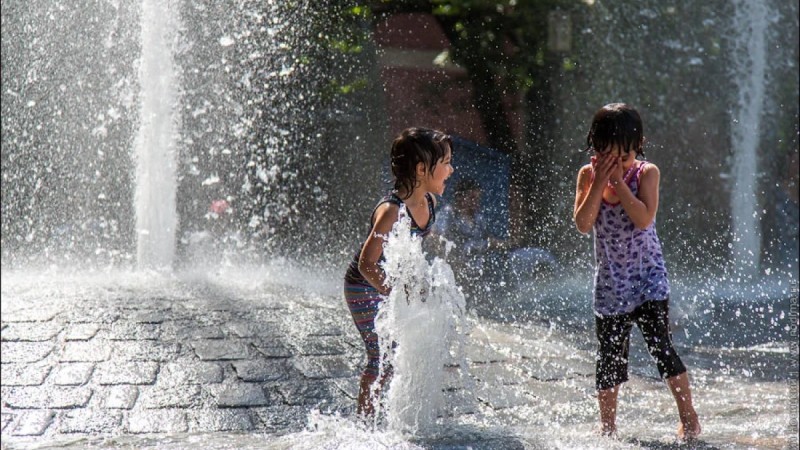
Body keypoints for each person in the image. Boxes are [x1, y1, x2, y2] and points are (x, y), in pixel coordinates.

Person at [573, 103, 701, 440]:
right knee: (609, 358)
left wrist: (619, 182)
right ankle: (608, 426)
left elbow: (643, 218)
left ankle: (689, 417)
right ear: (594, 147)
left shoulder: (646, 173)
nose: (616, 164)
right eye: (607, 156)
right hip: (611, 283)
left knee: (662, 348)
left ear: (638, 146)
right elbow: (583, 223)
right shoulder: (587, 176)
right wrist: (599, 183)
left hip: (648, 280)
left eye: (624, 157)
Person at [343, 127, 454, 418]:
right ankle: (365, 422)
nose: (451, 170)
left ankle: (401, 413)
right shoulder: (391, 211)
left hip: (388, 282)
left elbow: (412, 245)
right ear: (421, 169)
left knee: (408, 349)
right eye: (445, 163)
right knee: (382, 356)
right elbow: (367, 264)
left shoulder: (429, 203)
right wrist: (397, 294)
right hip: (364, 285)